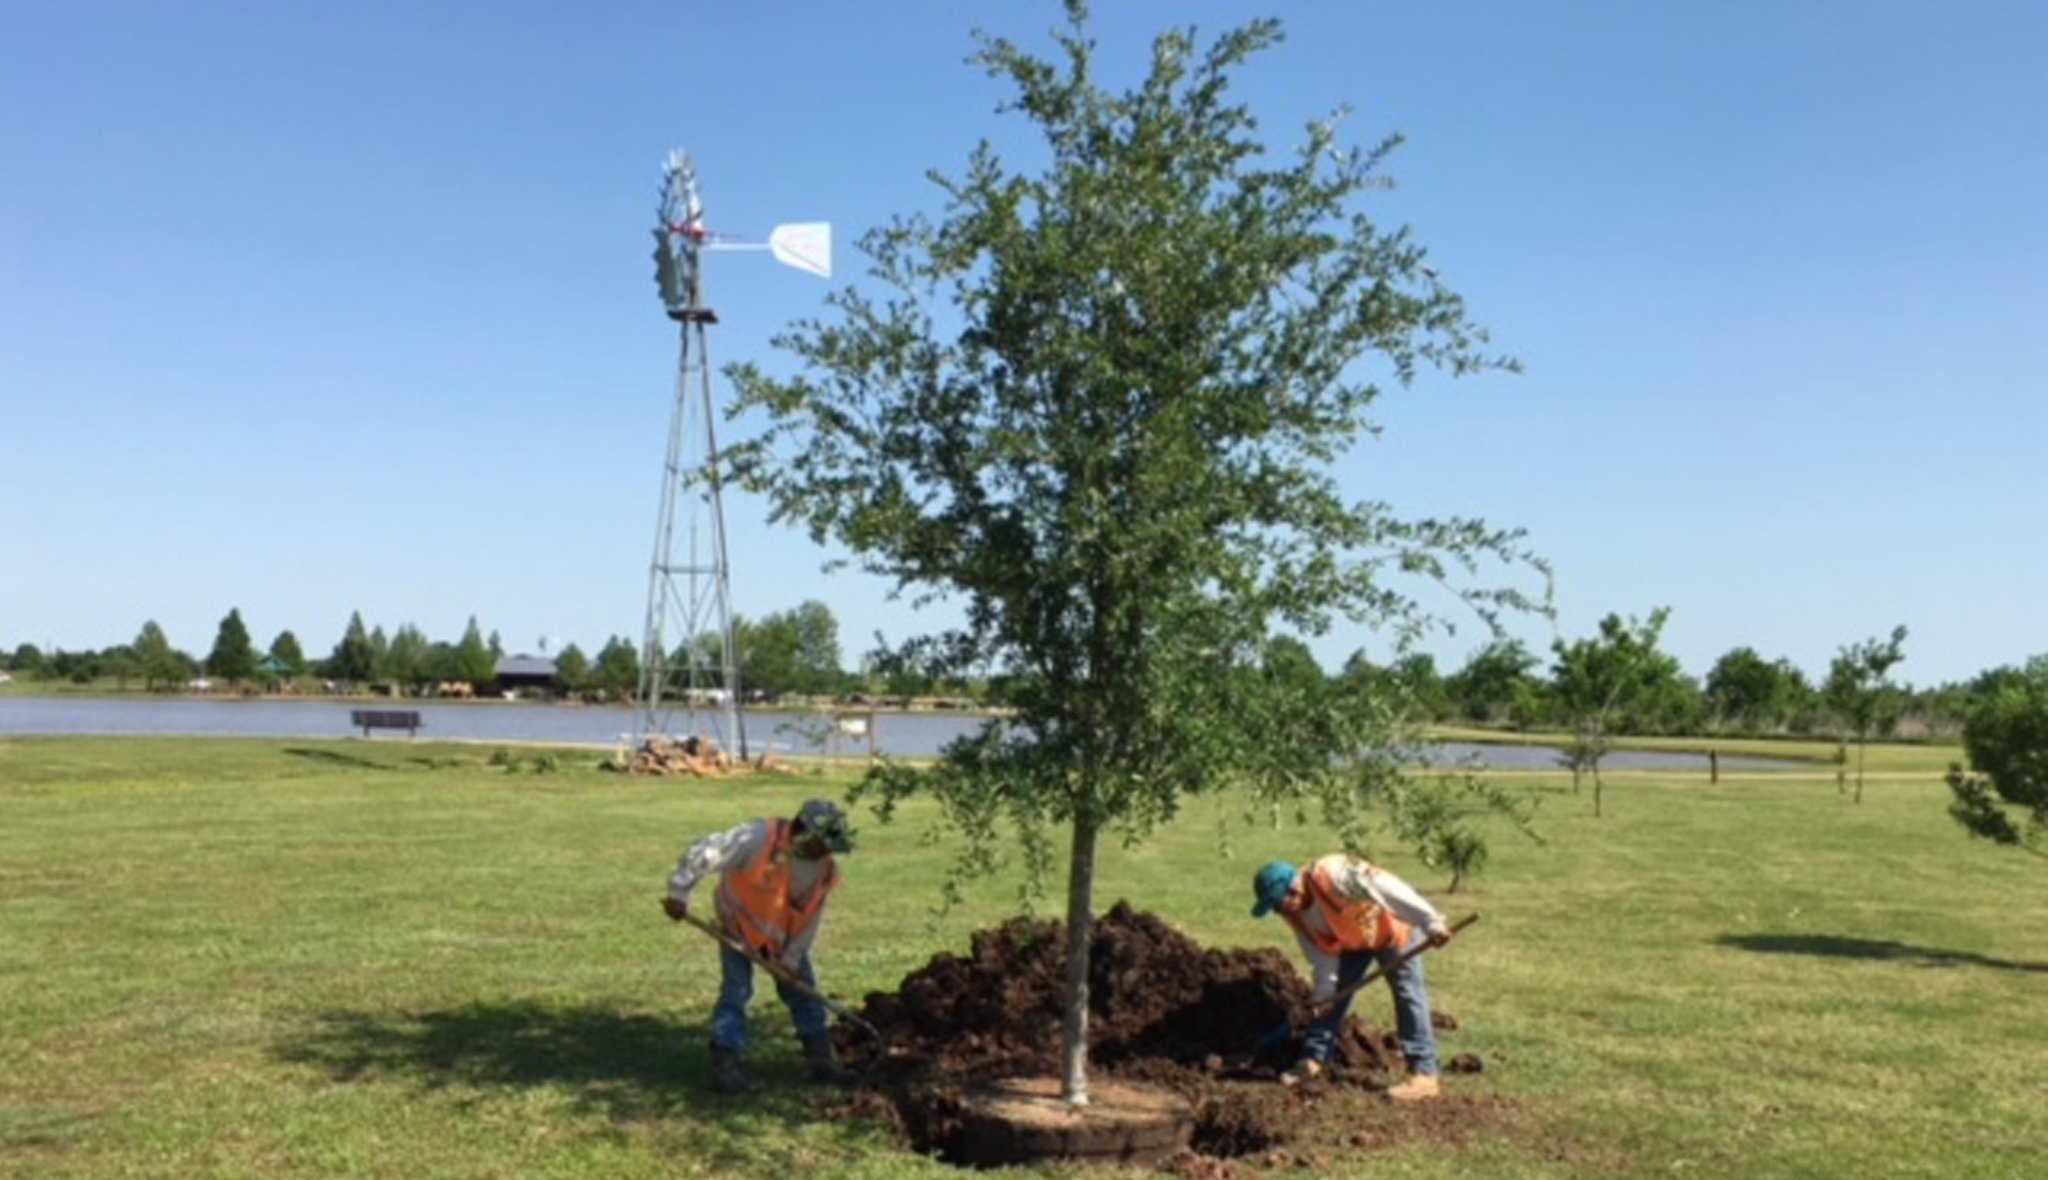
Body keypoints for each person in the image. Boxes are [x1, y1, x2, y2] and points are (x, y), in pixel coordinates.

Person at [662, 798, 856, 1093]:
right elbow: (707, 851)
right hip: (737, 926)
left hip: (782, 939)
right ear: (803, 833)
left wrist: (791, 961)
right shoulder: (758, 838)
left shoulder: (824, 870)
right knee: (736, 991)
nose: (827, 852)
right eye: (823, 844)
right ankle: (726, 1063)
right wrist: (679, 890)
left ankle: (820, 1060)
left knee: (804, 992)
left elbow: (810, 918)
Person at [1249, 854, 1453, 1101]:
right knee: (1332, 1000)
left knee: (1408, 993)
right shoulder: (1294, 914)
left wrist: (1430, 920)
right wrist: (1325, 993)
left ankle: (1424, 1074)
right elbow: (1320, 955)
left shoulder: (1332, 875)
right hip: (1353, 941)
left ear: (1293, 889)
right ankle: (1313, 1059)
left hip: (1391, 929)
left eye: (1278, 903)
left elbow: (1386, 886)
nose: (1280, 910)